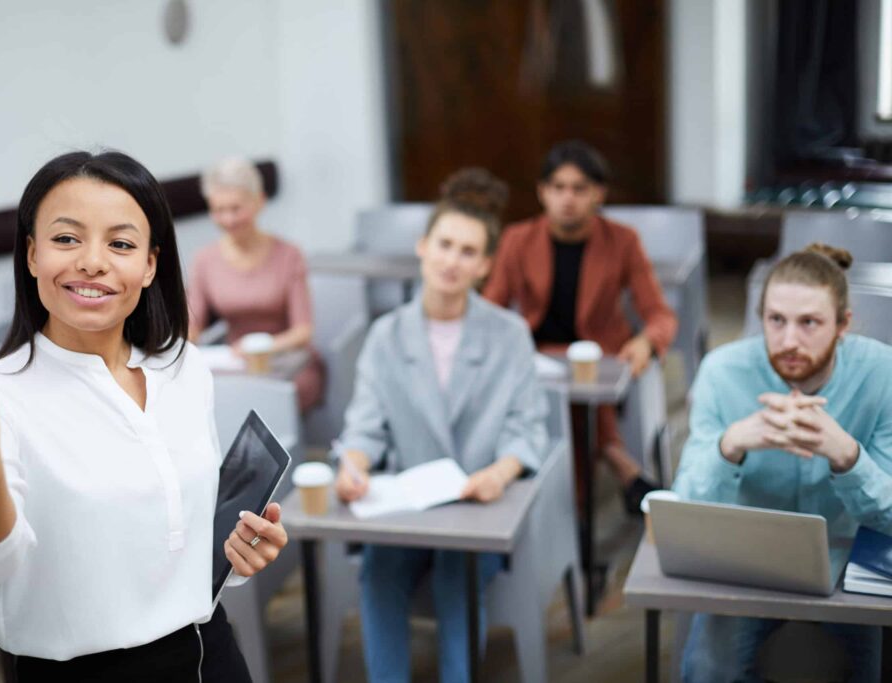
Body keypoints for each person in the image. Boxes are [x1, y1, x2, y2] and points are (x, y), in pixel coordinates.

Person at [0, 151, 288, 682]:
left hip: (210, 652)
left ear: (150, 264)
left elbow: (183, 530)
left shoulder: (183, 367)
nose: (93, 261)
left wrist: (238, 551)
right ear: (32, 254)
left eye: (121, 244)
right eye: (66, 239)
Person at [334, 168, 549, 683]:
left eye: (468, 252)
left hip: (478, 511)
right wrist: (354, 467)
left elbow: (527, 428)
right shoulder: (386, 336)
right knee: (378, 571)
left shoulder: (510, 334)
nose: (452, 261)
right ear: (423, 246)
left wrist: (499, 473)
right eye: (445, 245)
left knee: (459, 574)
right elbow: (365, 427)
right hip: (407, 511)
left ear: (485, 266)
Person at [672, 243, 891, 682]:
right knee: (706, 671)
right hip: (748, 561)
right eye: (776, 321)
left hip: (849, 558)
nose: (789, 341)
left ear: (843, 324)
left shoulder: (882, 372)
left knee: (868, 672)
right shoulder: (721, 371)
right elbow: (686, 506)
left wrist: (847, 456)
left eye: (809, 322)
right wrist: (730, 445)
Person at [483, 139, 677, 513]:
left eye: (579, 188)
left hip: (599, 358)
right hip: (535, 355)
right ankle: (622, 469)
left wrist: (645, 342)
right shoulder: (517, 240)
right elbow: (491, 309)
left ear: (598, 194)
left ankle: (569, 510)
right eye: (558, 188)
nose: (567, 199)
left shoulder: (621, 240)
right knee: (565, 396)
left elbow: (659, 314)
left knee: (579, 392)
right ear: (542, 193)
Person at [186, 157, 324, 412]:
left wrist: (260, 348)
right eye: (218, 210)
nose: (228, 219)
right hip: (235, 364)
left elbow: (303, 331)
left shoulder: (289, 255)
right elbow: (193, 324)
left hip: (287, 360)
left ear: (259, 201)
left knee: (270, 402)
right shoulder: (204, 260)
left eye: (236, 208)